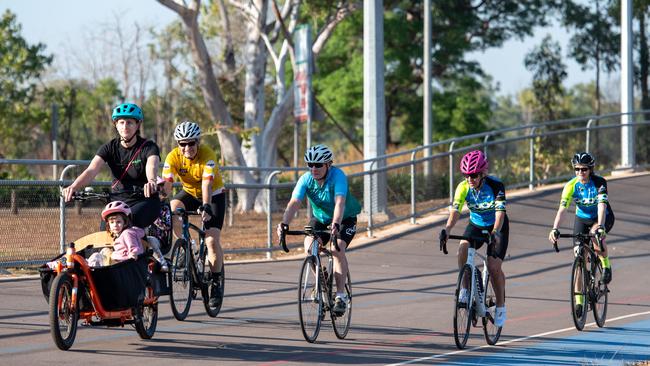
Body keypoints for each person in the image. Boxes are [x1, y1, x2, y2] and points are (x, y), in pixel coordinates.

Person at [276, 144, 361, 315]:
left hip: (344, 219)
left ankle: (340, 296)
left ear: (328, 164)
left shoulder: (338, 176)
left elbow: (340, 202)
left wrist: (336, 223)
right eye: (310, 164)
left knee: (337, 249)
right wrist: (284, 223)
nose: (313, 168)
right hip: (321, 220)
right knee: (309, 248)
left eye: (318, 165)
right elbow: (294, 203)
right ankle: (320, 283)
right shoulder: (306, 179)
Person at [62, 103, 162, 230]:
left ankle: (141, 248)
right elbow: (92, 170)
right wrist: (73, 187)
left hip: (145, 200)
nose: (125, 126)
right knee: (106, 233)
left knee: (128, 225)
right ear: (116, 124)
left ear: (138, 125)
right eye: (121, 122)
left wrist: (152, 181)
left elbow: (152, 166)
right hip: (118, 202)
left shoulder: (149, 147)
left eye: (130, 122)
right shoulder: (109, 147)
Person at [162, 121, 226, 308]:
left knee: (211, 241)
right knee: (171, 209)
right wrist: (160, 198)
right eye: (183, 144)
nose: (187, 147)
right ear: (178, 145)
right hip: (189, 192)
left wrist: (206, 206)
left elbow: (206, 184)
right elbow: (167, 183)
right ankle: (187, 246)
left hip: (213, 195)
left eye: (191, 143)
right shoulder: (173, 157)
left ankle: (215, 282)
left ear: (198, 142)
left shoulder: (208, 155)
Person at [440, 150, 509, 327]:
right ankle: (465, 288)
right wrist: (447, 229)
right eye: (466, 175)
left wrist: (495, 232)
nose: (470, 179)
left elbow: (500, 213)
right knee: (462, 249)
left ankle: (500, 306)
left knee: (493, 267)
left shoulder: (495, 186)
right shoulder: (463, 187)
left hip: (496, 225)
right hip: (476, 224)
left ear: (483, 174)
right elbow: (455, 212)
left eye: (474, 175)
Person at [548, 152, 614, 316]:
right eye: (576, 169)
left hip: (601, 216)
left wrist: (600, 226)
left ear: (590, 169)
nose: (580, 173)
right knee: (579, 257)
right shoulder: (570, 186)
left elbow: (602, 207)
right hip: (582, 219)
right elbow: (562, 210)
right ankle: (580, 300)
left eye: (584, 169)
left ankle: (605, 264)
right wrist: (555, 228)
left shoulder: (599, 183)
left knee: (595, 235)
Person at [87, 201, 168, 270]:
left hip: (122, 264)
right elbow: (139, 234)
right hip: (121, 261)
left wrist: (133, 253)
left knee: (97, 255)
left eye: (118, 222)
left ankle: (89, 269)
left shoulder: (127, 233)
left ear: (125, 222)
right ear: (108, 225)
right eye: (112, 222)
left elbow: (133, 247)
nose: (115, 225)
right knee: (104, 251)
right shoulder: (126, 233)